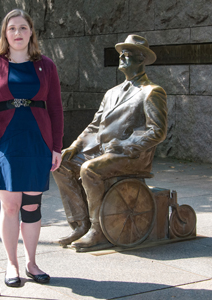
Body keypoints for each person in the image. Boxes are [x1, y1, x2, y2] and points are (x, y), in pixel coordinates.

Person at [0, 9, 63, 287]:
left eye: (23, 28)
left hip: (38, 139)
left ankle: (31, 262)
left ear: (31, 32)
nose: (18, 33)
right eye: (12, 28)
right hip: (5, 140)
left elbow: (57, 109)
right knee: (10, 206)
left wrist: (57, 146)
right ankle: (11, 265)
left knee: (32, 205)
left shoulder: (46, 65)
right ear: (5, 33)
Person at [53, 34, 167, 251]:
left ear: (141, 59)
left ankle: (98, 230)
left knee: (89, 169)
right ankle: (80, 224)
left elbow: (157, 131)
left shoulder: (152, 92)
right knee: (60, 164)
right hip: (101, 152)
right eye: (121, 54)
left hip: (129, 156)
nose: (122, 57)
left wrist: (126, 145)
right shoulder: (111, 93)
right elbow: (94, 126)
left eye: (128, 54)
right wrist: (75, 147)